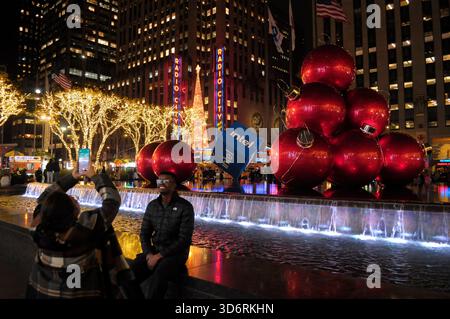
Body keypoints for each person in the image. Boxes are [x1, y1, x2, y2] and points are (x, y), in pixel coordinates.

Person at [26, 164, 129, 299]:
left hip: (44, 292)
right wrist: (94, 176)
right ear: (72, 212)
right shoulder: (86, 231)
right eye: (73, 200)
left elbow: (43, 199)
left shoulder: (38, 230)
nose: (75, 198)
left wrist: (73, 177)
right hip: (81, 293)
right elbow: (113, 200)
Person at [130, 171, 195, 299]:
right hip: (154, 251)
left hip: (176, 255)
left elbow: (184, 239)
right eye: (160, 181)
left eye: (166, 181)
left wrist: (159, 256)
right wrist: (149, 254)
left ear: (174, 185)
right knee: (129, 274)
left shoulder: (185, 207)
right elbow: (144, 233)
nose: (162, 184)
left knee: (160, 274)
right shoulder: (152, 206)